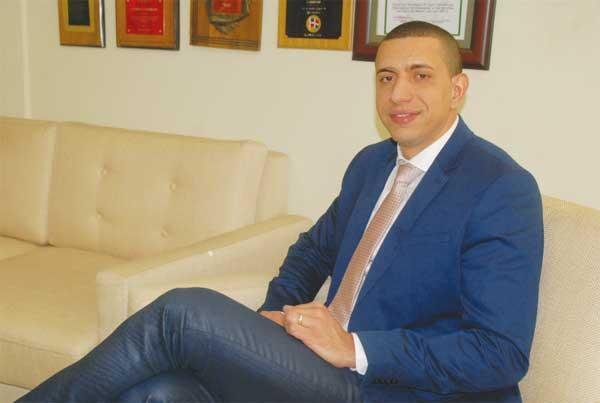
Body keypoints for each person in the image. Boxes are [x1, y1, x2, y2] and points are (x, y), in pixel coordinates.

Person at [17, 21, 543, 403]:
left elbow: (499, 353)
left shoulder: (499, 188)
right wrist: (273, 318)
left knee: (180, 314)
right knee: (156, 392)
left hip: (393, 387)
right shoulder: (373, 163)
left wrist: (355, 347)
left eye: (420, 75)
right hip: (321, 368)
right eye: (385, 78)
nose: (398, 93)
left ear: (457, 89)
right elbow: (313, 251)